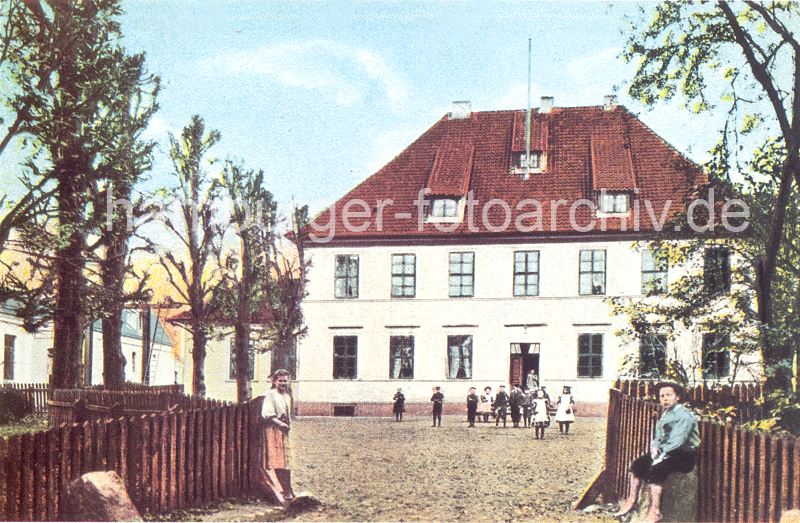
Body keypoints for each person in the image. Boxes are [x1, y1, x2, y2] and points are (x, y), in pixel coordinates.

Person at [613, 381, 700, 523]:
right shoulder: (666, 413)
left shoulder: (684, 416)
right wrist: (655, 447)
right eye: (662, 396)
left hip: (683, 454)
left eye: (668, 395)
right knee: (638, 465)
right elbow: (659, 435)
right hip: (667, 451)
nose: (665, 399)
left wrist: (661, 457)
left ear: (677, 397)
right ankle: (632, 499)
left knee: (656, 470)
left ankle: (655, 510)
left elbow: (677, 441)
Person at [259, 369, 294, 504]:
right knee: (278, 460)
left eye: (285, 380)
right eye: (280, 380)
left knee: (286, 461)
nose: (283, 383)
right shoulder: (271, 395)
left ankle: (288, 489)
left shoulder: (287, 396)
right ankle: (283, 489)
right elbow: (267, 414)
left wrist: (286, 426)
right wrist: (280, 424)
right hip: (273, 429)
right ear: (274, 381)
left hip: (284, 430)